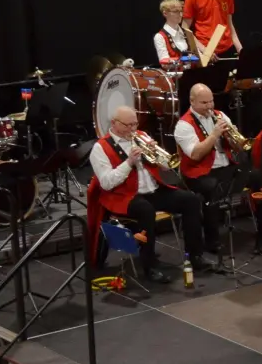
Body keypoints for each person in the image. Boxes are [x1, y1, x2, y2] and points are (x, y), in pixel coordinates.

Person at [88, 105, 214, 282]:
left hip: (153, 191)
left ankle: (195, 256)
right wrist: (129, 162)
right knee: (145, 210)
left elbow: (167, 166)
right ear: (114, 123)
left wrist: (157, 154)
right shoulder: (100, 148)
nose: (133, 129)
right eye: (128, 125)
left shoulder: (142, 136)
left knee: (191, 200)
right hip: (124, 197)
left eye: (135, 124)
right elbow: (107, 183)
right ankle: (150, 266)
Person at [174, 83, 262, 255]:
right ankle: (212, 240)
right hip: (199, 173)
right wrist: (214, 135)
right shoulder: (184, 125)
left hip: (226, 167)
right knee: (211, 188)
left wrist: (232, 138)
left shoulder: (219, 115)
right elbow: (195, 155)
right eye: (204, 103)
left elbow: (239, 147)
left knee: (257, 176)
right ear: (192, 101)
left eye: (211, 101)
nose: (210, 106)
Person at [152, 0, 192, 69]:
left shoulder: (186, 32)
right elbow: (165, 65)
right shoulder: (160, 37)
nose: (180, 14)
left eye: (181, 11)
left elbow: (197, 52)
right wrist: (184, 62)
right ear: (165, 13)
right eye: (176, 11)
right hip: (176, 78)